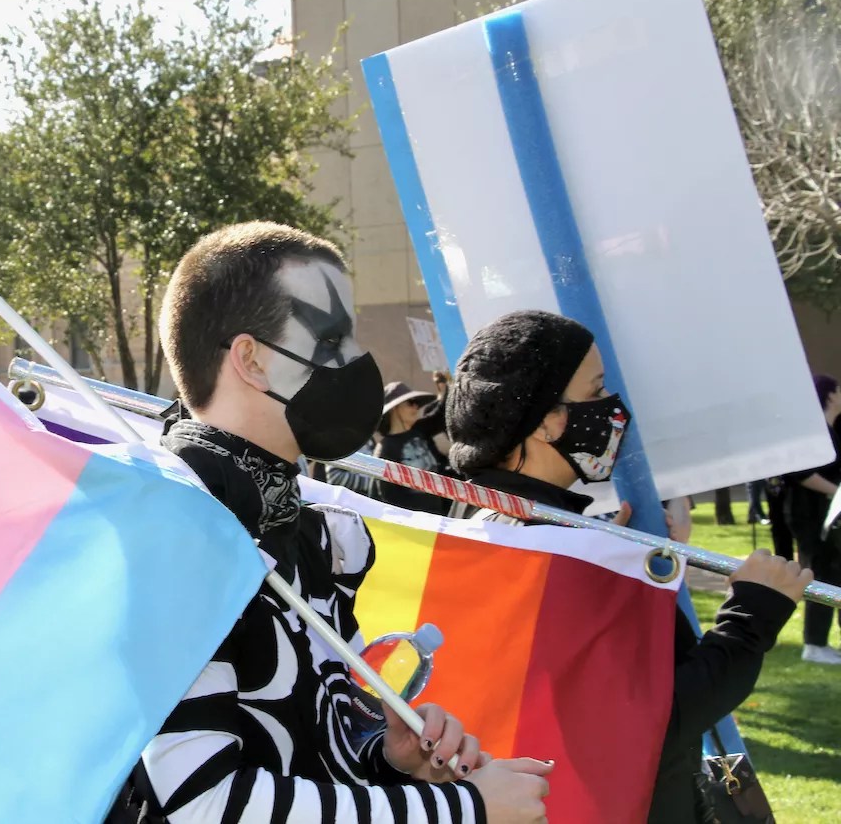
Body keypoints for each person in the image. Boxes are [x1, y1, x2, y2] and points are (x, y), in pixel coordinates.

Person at [116, 224, 554, 824]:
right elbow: (204, 803)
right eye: (330, 339)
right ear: (250, 360)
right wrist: (460, 810)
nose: (356, 364)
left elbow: (314, 733)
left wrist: (385, 756)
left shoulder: (315, 532)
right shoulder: (172, 530)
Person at [443, 310, 811, 824]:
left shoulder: (478, 522)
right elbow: (652, 719)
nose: (611, 408)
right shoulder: (556, 553)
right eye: (595, 391)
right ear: (549, 421)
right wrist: (752, 616)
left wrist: (617, 561)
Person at [783, 375, 841, 665]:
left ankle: (825, 643)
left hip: (830, 518)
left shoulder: (832, 431)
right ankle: (814, 644)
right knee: (820, 575)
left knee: (835, 574)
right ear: (829, 396)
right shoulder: (813, 433)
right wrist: (837, 492)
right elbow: (800, 472)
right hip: (810, 516)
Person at [374, 382, 451, 516]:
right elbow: (387, 499)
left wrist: (446, 386)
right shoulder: (385, 449)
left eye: (416, 402)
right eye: (410, 402)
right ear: (395, 408)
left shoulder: (419, 431)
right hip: (414, 527)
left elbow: (440, 414)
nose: (416, 406)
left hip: (440, 519)